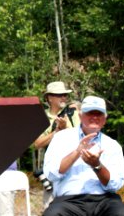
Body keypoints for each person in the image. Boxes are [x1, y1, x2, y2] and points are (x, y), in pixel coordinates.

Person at [42, 95, 124, 216]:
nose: (94, 117)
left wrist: (97, 166)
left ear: (105, 119)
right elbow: (51, 174)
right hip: (68, 201)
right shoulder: (61, 138)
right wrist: (77, 152)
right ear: (80, 116)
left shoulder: (112, 145)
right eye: (90, 113)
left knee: (123, 214)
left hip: (104, 199)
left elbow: (115, 185)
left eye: (99, 114)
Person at [33, 81, 80, 209]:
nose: (64, 98)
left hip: (75, 169)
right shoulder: (42, 117)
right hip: (54, 171)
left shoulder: (73, 113)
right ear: (49, 98)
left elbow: (82, 137)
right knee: (51, 208)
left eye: (65, 95)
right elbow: (37, 144)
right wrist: (57, 132)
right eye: (59, 95)